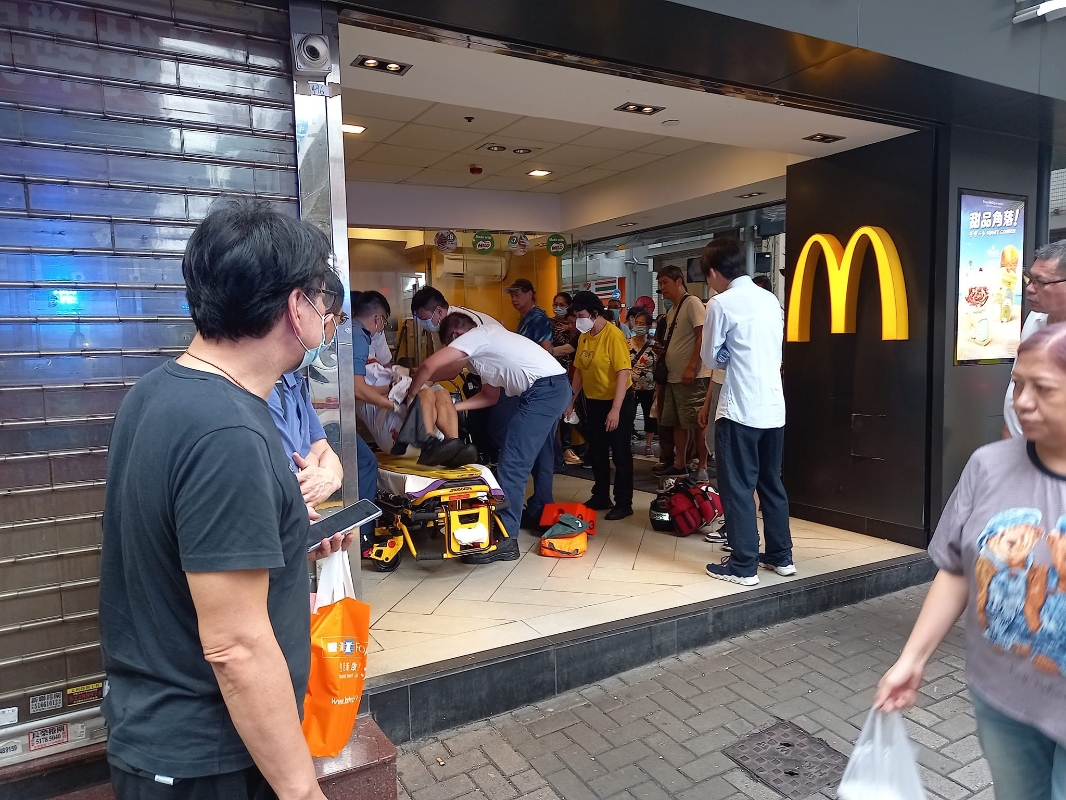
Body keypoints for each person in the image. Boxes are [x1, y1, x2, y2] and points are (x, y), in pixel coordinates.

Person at [99, 200, 350, 800]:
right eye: (323, 300)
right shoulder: (228, 431)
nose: (327, 318)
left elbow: (180, 546)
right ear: (296, 307)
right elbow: (235, 646)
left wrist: (286, 542)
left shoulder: (158, 391)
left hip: (165, 736)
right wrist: (301, 789)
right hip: (209, 757)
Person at [877, 322, 1066, 800]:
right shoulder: (989, 464)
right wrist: (912, 659)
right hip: (1001, 699)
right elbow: (958, 569)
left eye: (1043, 389)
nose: (1022, 402)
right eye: (1018, 384)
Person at [408, 313, 570, 561]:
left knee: (512, 462)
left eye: (451, 347)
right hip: (550, 389)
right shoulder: (485, 353)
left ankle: (506, 539)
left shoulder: (478, 336)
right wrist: (451, 408)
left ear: (456, 336)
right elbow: (489, 397)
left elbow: (428, 367)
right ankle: (533, 513)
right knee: (537, 456)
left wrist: (412, 396)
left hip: (543, 392)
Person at [699, 236, 794, 586]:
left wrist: (728, 353)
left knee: (738, 486)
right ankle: (781, 557)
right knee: (771, 482)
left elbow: (711, 358)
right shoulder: (770, 299)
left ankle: (742, 565)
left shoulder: (721, 304)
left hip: (739, 408)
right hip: (773, 407)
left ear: (713, 272)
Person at [268, 269, 345, 510]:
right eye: (331, 318)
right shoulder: (266, 388)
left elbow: (325, 451)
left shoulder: (294, 380)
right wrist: (317, 465)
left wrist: (329, 477)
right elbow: (293, 478)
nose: (330, 328)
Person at [566, 291, 635, 520]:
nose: (578, 320)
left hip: (619, 400)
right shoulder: (585, 336)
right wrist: (570, 401)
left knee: (620, 452)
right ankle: (601, 495)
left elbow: (623, 373)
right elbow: (579, 371)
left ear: (595, 313)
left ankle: (624, 502)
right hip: (594, 400)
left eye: (581, 315)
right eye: (576, 316)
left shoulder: (613, 336)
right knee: (597, 450)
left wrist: (615, 409)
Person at [1003, 240, 1066, 438]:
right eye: (1029, 279)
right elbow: (1017, 383)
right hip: (1018, 443)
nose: (1030, 289)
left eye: (1041, 282)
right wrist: (1009, 430)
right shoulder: (1035, 317)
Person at [655, 265, 711, 481]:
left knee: (697, 422)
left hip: (692, 377)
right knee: (678, 422)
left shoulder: (692, 303)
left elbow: (702, 335)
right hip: (673, 376)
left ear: (679, 281)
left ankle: (702, 466)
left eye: (665, 283)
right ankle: (680, 463)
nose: (662, 288)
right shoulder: (672, 311)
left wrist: (691, 366)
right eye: (660, 284)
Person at [551, 292, 579, 469]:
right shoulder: (550, 324)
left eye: (562, 304)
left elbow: (571, 348)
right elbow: (561, 348)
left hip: (574, 372)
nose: (557, 307)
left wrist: (570, 327)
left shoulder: (576, 327)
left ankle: (567, 447)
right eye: (555, 304)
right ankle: (559, 450)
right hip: (556, 371)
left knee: (569, 411)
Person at [411, 286, 503, 335]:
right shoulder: (440, 325)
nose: (423, 324)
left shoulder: (462, 323)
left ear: (439, 311)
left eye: (424, 319)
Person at [628, 309, 658, 456]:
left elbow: (657, 367)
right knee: (628, 415)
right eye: (637, 323)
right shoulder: (626, 344)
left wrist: (658, 388)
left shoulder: (654, 346)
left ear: (648, 326)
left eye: (642, 324)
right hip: (630, 386)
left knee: (649, 415)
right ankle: (627, 440)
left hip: (649, 387)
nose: (638, 326)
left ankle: (648, 444)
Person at [508, 278, 553, 353]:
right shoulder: (525, 316)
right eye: (512, 296)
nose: (513, 299)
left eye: (517, 295)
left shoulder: (538, 317)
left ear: (530, 294)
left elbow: (547, 350)